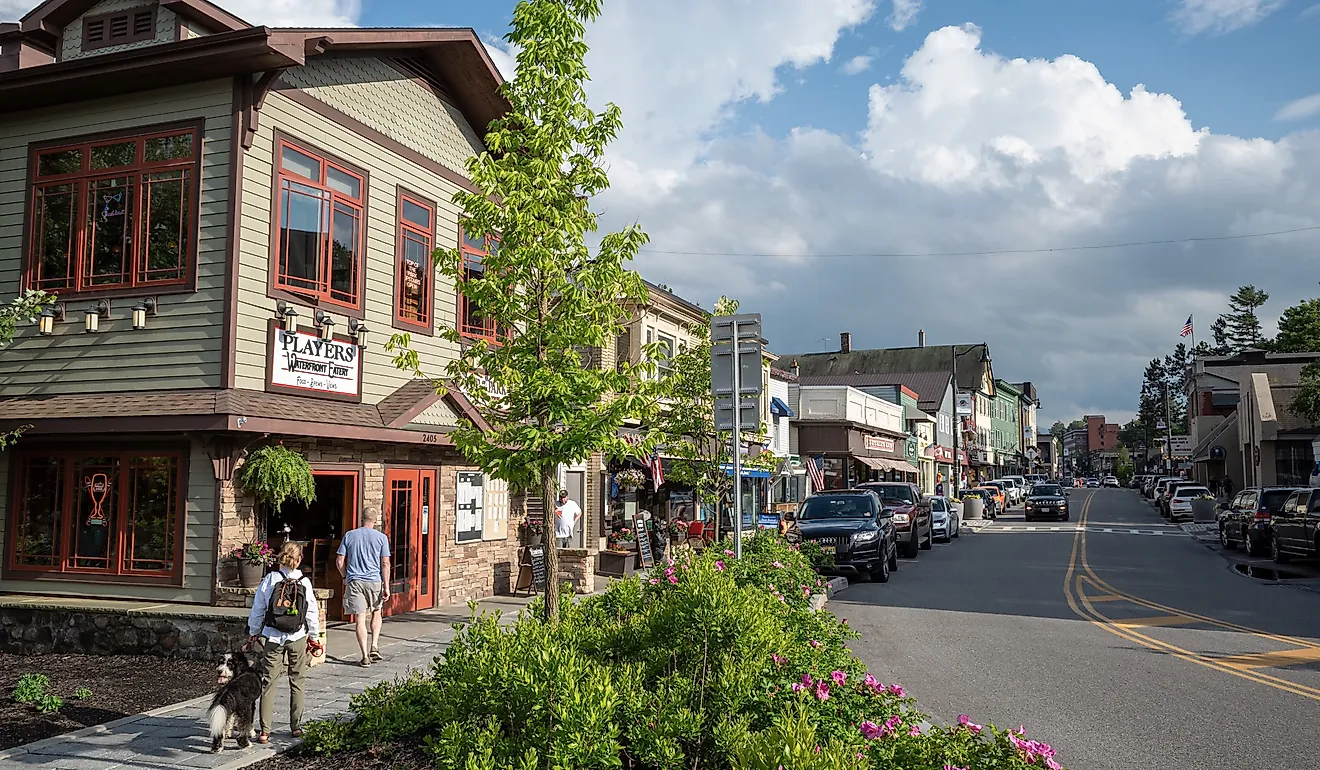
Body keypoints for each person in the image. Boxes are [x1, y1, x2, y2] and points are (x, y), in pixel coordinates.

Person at [248, 541, 320, 744]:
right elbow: (311, 612)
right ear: (299, 559)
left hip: (273, 635)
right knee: (297, 680)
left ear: (281, 556)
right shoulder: (305, 582)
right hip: (297, 636)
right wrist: (314, 637)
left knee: (268, 682)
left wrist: (254, 633)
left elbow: (258, 609)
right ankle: (295, 726)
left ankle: (265, 731)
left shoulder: (270, 579)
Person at [336, 507, 391, 667]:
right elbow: (385, 563)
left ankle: (365, 655)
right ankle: (374, 645)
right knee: (376, 612)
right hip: (374, 581)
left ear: (362, 518)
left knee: (360, 618)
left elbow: (339, 561)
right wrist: (386, 586)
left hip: (355, 581)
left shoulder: (349, 535)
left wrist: (345, 576)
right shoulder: (381, 538)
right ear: (375, 520)